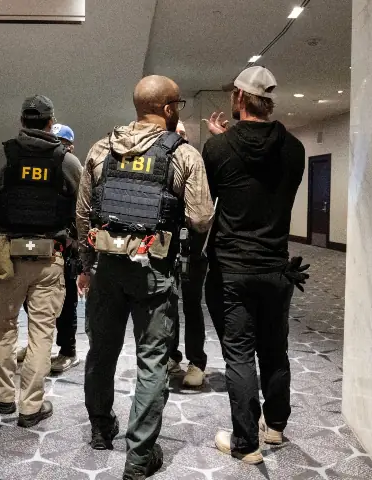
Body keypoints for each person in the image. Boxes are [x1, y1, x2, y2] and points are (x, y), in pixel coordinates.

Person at [77, 76, 214, 480]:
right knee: (152, 359)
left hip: (106, 268)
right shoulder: (184, 155)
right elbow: (201, 216)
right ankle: (139, 457)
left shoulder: (101, 149)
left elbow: (83, 215)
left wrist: (87, 265)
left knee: (101, 351)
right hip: (153, 270)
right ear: (170, 109)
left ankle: (101, 428)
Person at [202, 66, 308, 464]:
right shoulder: (295, 148)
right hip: (278, 267)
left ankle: (246, 443)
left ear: (240, 100)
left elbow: (215, 194)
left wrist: (223, 143)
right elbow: (263, 182)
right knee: (275, 349)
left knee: (240, 354)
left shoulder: (217, 149)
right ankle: (276, 426)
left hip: (233, 268)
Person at [0, 96, 82, 428]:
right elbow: (84, 211)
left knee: (4, 327)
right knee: (42, 332)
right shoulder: (67, 162)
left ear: (21, 121)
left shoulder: (0, 158)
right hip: (50, 258)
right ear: (51, 123)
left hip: (8, 257)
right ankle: (31, 405)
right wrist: (74, 244)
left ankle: (1, 396)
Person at [16, 123, 81, 373]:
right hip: (34, 243)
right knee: (33, 301)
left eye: (60, 142)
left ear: (69, 145)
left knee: (66, 303)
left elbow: (82, 207)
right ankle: (38, 346)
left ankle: (68, 351)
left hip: (63, 246)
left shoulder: (71, 164)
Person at [165, 120, 209, 388]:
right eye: (174, 133)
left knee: (192, 305)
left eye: (182, 134)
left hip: (193, 248)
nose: (178, 139)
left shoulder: (195, 163)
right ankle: (172, 356)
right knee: (167, 304)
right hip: (166, 247)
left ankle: (196, 361)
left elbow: (203, 212)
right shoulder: (161, 163)